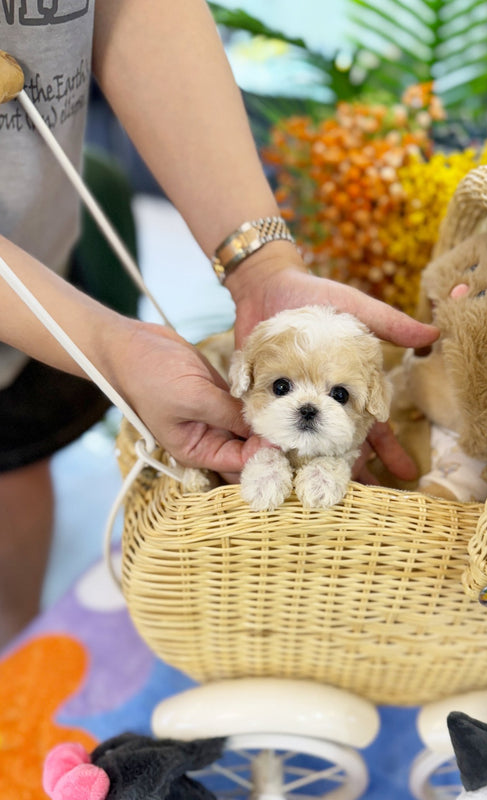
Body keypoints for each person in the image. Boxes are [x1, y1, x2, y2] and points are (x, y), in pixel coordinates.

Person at [0, 0, 438, 649]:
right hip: (50, 299)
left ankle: (17, 645)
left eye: (341, 394)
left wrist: (262, 269)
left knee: (19, 464)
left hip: (41, 256)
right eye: (284, 387)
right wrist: (106, 344)